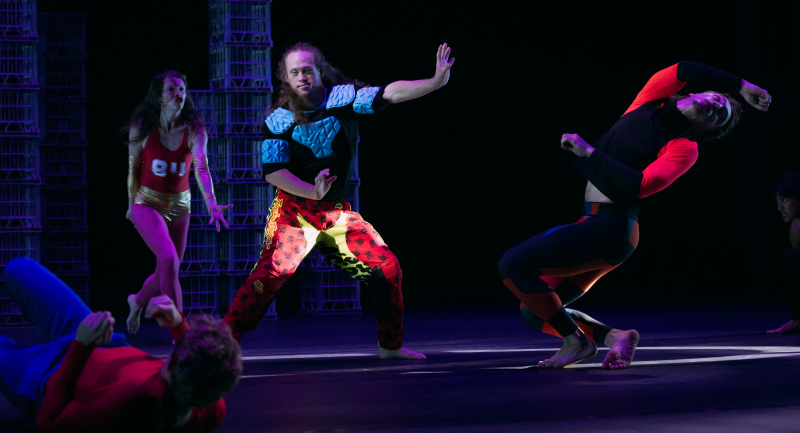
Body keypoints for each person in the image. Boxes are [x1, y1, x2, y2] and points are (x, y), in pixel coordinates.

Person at [498, 61, 772, 369]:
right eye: (718, 98)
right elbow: (684, 68)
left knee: (513, 265)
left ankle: (577, 342)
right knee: (534, 310)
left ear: (705, 130)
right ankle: (615, 336)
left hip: (612, 230)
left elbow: (641, 186)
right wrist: (742, 86)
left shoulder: (684, 146)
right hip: (592, 222)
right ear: (695, 92)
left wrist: (589, 153)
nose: (717, 106)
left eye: (721, 116)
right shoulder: (647, 101)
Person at [223, 42, 455, 359]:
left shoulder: (345, 101)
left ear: (320, 71)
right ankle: (222, 342)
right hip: (295, 213)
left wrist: (434, 82)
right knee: (269, 277)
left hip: (335, 215)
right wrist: (311, 191)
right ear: (286, 79)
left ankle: (391, 346)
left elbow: (389, 93)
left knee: (386, 268)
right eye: (294, 72)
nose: (302, 76)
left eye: (307, 69)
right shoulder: (279, 120)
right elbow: (273, 172)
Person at [0, 257, 242, 432]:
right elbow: (197, 364)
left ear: (174, 362)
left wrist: (81, 345)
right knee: (19, 268)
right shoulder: (210, 406)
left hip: (47, 374)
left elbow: (49, 422)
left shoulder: (139, 398)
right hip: (99, 342)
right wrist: (178, 324)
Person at [123, 70, 232, 334]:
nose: (178, 94)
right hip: (147, 203)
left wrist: (211, 203)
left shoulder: (194, 130)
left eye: (182, 89)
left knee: (168, 269)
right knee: (169, 259)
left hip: (181, 206)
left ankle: (136, 301)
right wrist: (130, 205)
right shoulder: (143, 126)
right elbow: (133, 168)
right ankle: (181, 334)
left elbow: (201, 168)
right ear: (159, 97)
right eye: (171, 89)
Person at [767, 173, 800, 334]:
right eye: (778, 201)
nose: (780, 207)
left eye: (785, 200)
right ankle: (797, 320)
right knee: (791, 257)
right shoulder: (796, 228)